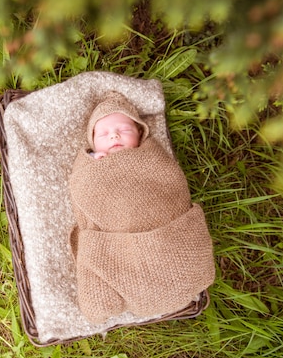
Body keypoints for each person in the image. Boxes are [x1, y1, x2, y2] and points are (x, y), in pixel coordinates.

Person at [68, 91, 215, 324]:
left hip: (167, 234)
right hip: (115, 240)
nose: (114, 134)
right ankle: (106, 302)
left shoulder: (152, 157)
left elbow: (171, 183)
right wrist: (93, 168)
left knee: (180, 260)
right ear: (92, 143)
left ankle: (180, 276)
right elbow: (81, 187)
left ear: (140, 134)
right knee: (96, 292)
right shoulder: (90, 167)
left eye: (124, 130)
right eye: (104, 133)